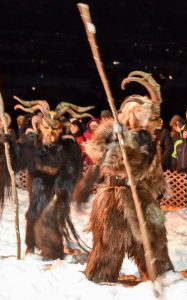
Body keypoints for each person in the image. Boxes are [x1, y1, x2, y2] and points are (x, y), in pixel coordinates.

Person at [75, 71, 173, 282]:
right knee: (111, 245)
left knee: (155, 239)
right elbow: (103, 158)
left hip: (144, 199)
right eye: (143, 114)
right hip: (116, 199)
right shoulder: (115, 135)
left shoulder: (147, 139)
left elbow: (152, 170)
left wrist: (159, 187)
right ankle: (100, 281)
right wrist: (115, 138)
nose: (148, 120)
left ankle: (162, 277)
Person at [0, 99, 93, 260]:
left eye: (55, 129)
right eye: (46, 127)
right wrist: (6, 146)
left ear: (62, 128)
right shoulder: (32, 142)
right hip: (37, 190)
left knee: (51, 219)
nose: (50, 132)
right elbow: (16, 163)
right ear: (40, 126)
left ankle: (51, 252)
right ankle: (31, 248)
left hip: (57, 192)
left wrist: (64, 187)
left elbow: (73, 170)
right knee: (34, 214)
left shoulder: (68, 146)